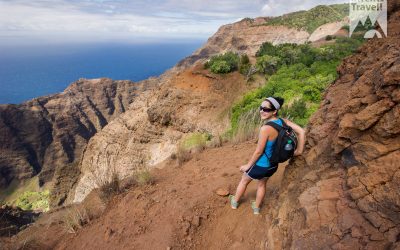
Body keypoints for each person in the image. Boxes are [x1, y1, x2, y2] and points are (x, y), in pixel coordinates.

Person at [229, 96, 305, 214]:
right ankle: (256, 208)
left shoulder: (265, 129)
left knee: (244, 180)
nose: (262, 111)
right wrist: (299, 151)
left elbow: (259, 151)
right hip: (273, 164)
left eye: (266, 109)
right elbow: (301, 131)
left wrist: (248, 165)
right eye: (261, 108)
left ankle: (235, 202)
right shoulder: (283, 121)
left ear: (274, 111)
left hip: (261, 164)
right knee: (262, 184)